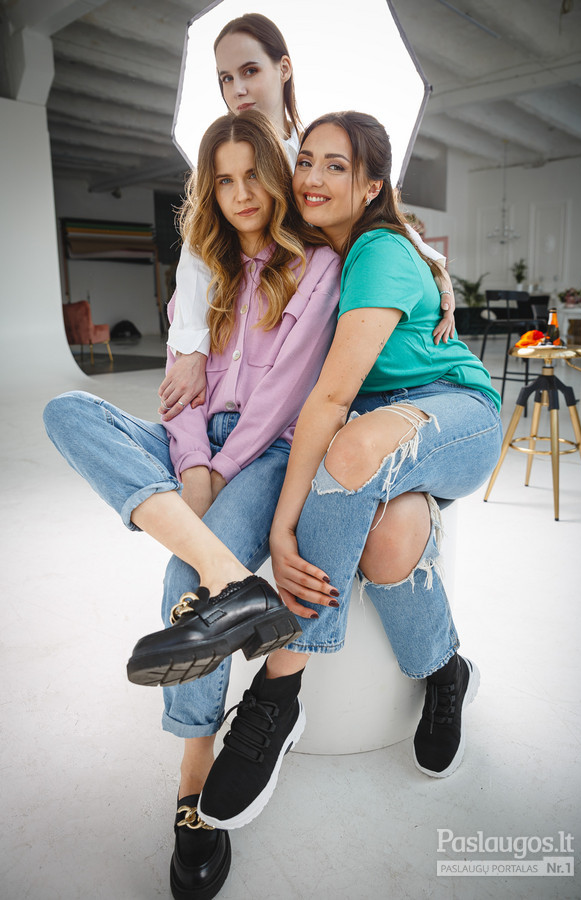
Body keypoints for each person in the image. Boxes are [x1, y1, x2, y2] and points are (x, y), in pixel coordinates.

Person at [148, 111, 502, 835]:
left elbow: (332, 398)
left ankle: (279, 692)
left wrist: (282, 530)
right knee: (391, 541)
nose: (312, 177)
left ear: (371, 187)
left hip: (452, 411)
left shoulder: (377, 249)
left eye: (336, 166)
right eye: (306, 160)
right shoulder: (316, 253)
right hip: (377, 434)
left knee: (346, 448)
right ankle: (446, 671)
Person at [43, 109, 341, 900]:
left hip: (266, 453)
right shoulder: (206, 262)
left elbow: (281, 401)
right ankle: (230, 576)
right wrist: (194, 464)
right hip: (198, 447)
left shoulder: (315, 266)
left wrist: (220, 468)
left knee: (183, 584)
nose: (240, 194)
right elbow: (181, 386)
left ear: (275, 177)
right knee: (68, 412)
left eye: (253, 176)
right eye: (224, 180)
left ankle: (193, 782)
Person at [161, 12, 455, 421]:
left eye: (249, 71)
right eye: (225, 78)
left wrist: (436, 267)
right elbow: (197, 255)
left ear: (284, 68)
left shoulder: (309, 153)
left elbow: (377, 209)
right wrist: (192, 351)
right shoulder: (223, 151)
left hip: (312, 314)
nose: (237, 89)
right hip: (249, 317)